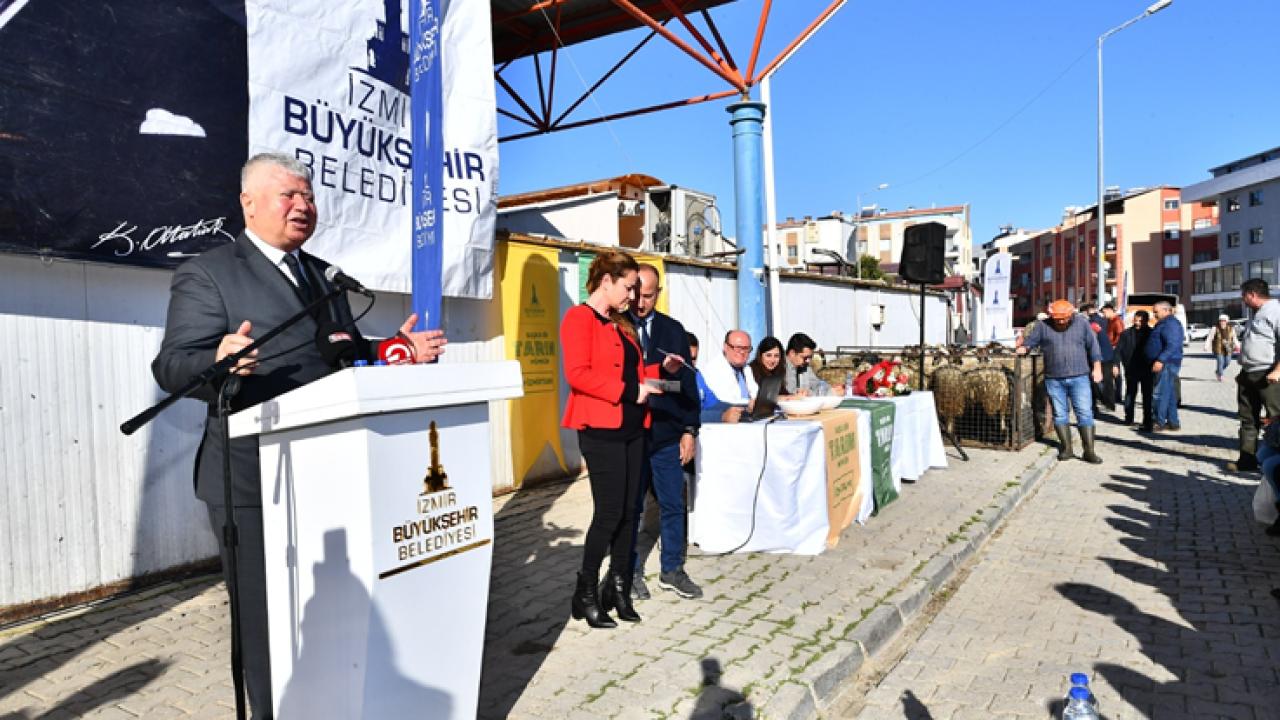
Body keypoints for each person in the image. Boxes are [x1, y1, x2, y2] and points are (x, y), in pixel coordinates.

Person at [151, 153, 446, 719]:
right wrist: (217, 360)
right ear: (249, 203)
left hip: (328, 470)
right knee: (267, 621)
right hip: (252, 478)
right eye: (289, 194)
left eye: (308, 196)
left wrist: (393, 350)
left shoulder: (323, 275)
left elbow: (340, 353)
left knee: (329, 611)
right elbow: (171, 365)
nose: (303, 205)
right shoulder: (209, 272)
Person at [560, 251, 673, 628]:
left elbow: (630, 372)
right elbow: (578, 374)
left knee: (630, 512)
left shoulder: (621, 324)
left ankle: (618, 587)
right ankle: (585, 592)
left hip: (633, 427)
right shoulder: (579, 318)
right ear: (606, 281)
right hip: (601, 429)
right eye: (628, 287)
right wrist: (630, 390)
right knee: (608, 513)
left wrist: (661, 372)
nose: (632, 296)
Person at [627, 264, 703, 601]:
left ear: (658, 293)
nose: (641, 302)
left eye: (648, 295)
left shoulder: (673, 331)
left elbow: (686, 385)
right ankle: (628, 572)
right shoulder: (618, 326)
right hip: (630, 434)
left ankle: (672, 569)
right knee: (631, 508)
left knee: (673, 504)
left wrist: (689, 429)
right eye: (637, 294)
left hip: (667, 433)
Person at [1016, 299, 1103, 463]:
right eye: (1057, 319)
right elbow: (1031, 341)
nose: (1061, 322)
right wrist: (1024, 347)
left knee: (1084, 413)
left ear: (1071, 315)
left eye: (1064, 319)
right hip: (1054, 378)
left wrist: (1097, 368)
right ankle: (1066, 449)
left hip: (1080, 376)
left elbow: (1093, 346)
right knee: (1060, 414)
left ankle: (1089, 451)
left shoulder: (1082, 323)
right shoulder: (1042, 326)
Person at [1228, 279, 1280, 472]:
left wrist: (1278, 370)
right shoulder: (1256, 314)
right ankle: (1247, 460)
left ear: (1252, 294)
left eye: (1243, 295)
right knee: (1247, 418)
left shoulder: (1275, 312)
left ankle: (1276, 466)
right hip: (1249, 373)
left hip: (1269, 374)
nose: (1242, 299)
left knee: (1276, 419)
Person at [1144, 300, 1185, 432]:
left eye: (1156, 312)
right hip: (1166, 362)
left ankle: (1158, 422)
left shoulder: (1170, 324)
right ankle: (1173, 422)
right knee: (1170, 394)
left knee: (1160, 393)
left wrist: (1160, 360)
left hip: (1167, 363)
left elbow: (1173, 344)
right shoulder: (1164, 323)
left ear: (1166, 310)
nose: (1154, 314)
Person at [1116, 310, 1154, 430]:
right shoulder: (1126, 334)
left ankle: (1147, 420)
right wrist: (1115, 365)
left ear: (1146, 321)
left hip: (1147, 369)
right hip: (1131, 368)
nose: (1137, 323)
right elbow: (1118, 350)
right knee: (1130, 394)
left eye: (1140, 321)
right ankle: (1129, 418)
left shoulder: (1152, 333)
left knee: (1147, 396)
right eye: (1136, 320)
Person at [702, 329, 758, 408]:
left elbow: (755, 393)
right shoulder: (713, 369)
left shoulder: (746, 368)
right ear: (725, 347)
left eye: (746, 348)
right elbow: (724, 400)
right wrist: (750, 403)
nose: (742, 352)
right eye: (738, 348)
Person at [1081, 302, 1117, 412]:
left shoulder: (1092, 323)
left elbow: (1091, 341)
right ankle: (1109, 404)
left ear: (1087, 311)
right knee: (1107, 381)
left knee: (1097, 381)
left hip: (1100, 355)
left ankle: (1103, 403)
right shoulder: (1103, 320)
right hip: (1107, 354)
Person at [784, 332, 840, 396]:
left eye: (810, 357)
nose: (808, 361)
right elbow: (791, 392)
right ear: (792, 353)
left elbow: (817, 385)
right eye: (805, 357)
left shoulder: (804, 366)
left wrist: (833, 389)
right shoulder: (780, 368)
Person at [1208, 313, 1238, 382]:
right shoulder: (1215, 328)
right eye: (1221, 321)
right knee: (1220, 362)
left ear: (1227, 321)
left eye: (1224, 321)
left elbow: (1234, 338)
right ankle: (1220, 375)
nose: (1222, 322)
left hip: (1228, 348)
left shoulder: (1231, 329)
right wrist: (1206, 346)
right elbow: (1210, 337)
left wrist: (1238, 346)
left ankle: (1218, 371)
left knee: (1227, 362)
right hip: (1218, 348)